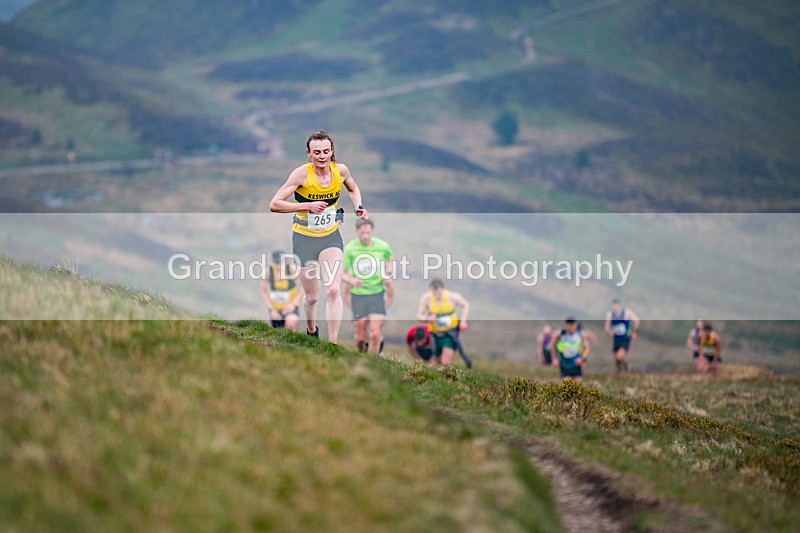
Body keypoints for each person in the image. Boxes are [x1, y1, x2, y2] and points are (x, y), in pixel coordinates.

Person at [269, 131, 368, 344]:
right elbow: (274, 204)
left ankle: (332, 344)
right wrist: (307, 206)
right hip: (304, 239)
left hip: (331, 237)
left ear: (332, 151)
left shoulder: (340, 171)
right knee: (312, 297)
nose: (322, 156)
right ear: (309, 154)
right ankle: (312, 330)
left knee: (333, 290)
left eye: (326, 151)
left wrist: (358, 206)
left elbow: (353, 187)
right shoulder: (301, 175)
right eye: (317, 152)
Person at [342, 218, 394, 355]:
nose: (365, 236)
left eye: (367, 232)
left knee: (375, 334)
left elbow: (390, 258)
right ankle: (362, 355)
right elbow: (342, 273)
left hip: (377, 293)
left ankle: (373, 362)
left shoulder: (382, 245)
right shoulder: (350, 249)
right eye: (362, 233)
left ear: (372, 231)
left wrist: (387, 274)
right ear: (357, 232)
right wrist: (352, 282)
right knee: (360, 337)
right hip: (358, 295)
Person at [416, 279, 470, 365]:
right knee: (434, 362)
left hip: (450, 333)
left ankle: (447, 376)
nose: (436, 294)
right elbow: (419, 315)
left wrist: (463, 321)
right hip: (434, 334)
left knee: (445, 361)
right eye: (434, 292)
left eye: (438, 292)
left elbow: (465, 305)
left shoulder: (452, 296)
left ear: (442, 289)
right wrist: (427, 318)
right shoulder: (426, 298)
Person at [259, 250, 303, 330]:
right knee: (278, 331)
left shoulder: (291, 269)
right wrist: (271, 309)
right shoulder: (268, 271)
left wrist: (293, 305)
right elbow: (262, 292)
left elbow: (304, 288)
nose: (278, 265)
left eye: (280, 263)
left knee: (290, 323)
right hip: (276, 309)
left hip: (290, 308)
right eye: (276, 263)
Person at [604, 298, 640, 373]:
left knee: (619, 357)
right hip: (616, 339)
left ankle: (627, 367)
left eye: (616, 305)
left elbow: (636, 320)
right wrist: (609, 333)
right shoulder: (610, 314)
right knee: (617, 360)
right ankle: (622, 372)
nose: (615, 307)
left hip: (625, 338)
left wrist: (634, 332)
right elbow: (606, 327)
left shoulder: (626, 312)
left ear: (619, 305)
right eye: (613, 306)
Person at [550, 317, 589, 382]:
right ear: (566, 325)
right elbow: (551, 345)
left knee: (578, 385)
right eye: (568, 325)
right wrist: (554, 359)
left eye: (572, 325)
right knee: (566, 385)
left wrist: (582, 359)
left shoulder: (581, 334)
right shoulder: (560, 334)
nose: (570, 327)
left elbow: (587, 348)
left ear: (576, 325)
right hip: (565, 364)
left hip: (576, 364)